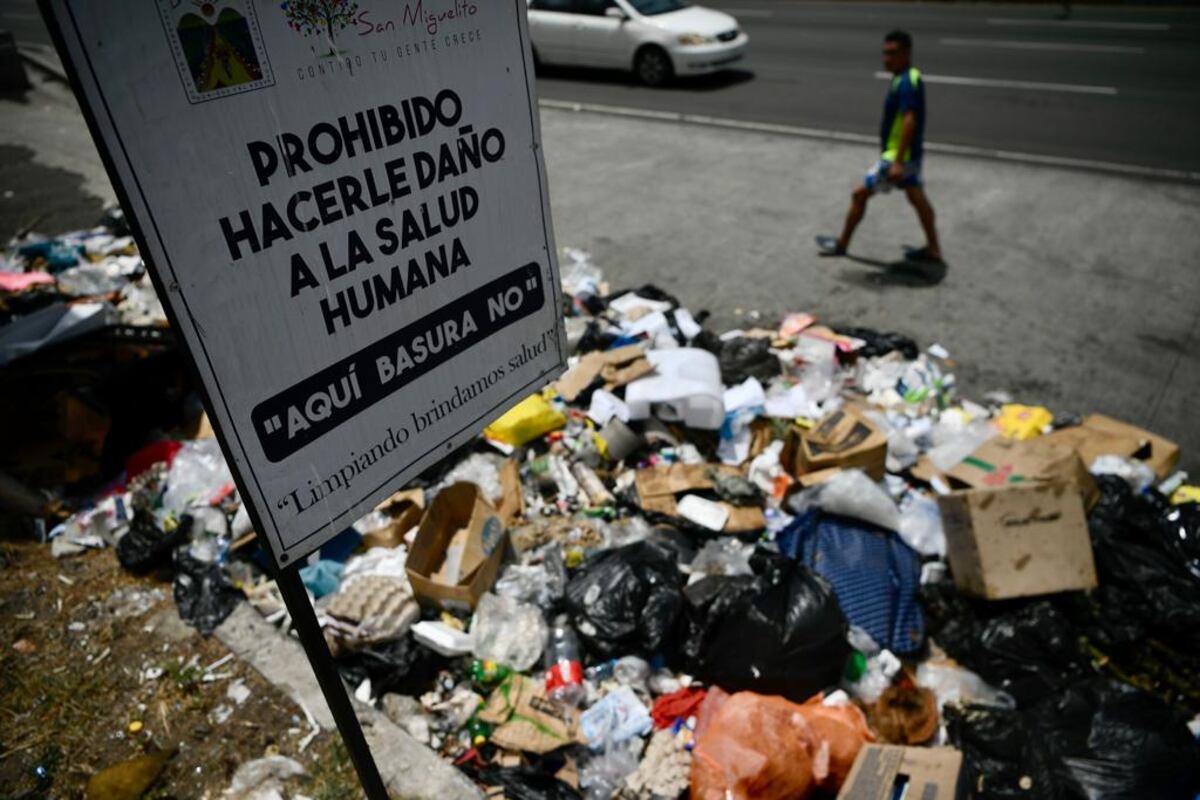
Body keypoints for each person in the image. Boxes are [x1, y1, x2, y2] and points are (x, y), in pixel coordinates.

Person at [816, 30, 942, 262]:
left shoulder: (905, 82)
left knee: (858, 195)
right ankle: (934, 249)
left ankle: (842, 245)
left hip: (898, 158)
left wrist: (896, 162)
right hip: (909, 157)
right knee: (917, 199)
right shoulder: (909, 77)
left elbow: (909, 120)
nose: (887, 59)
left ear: (907, 53)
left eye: (893, 54)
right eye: (885, 54)